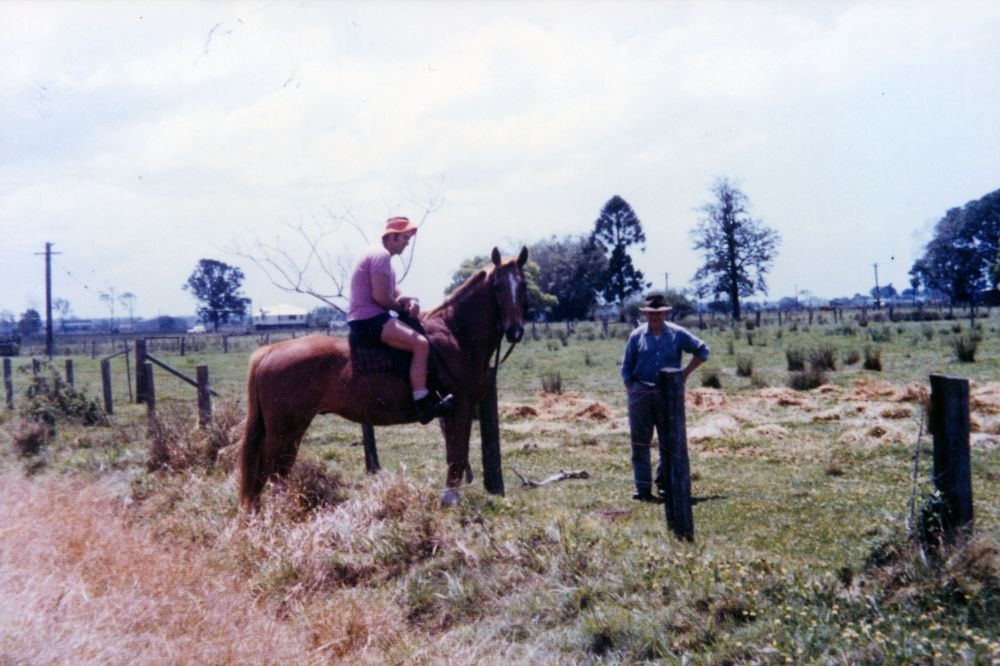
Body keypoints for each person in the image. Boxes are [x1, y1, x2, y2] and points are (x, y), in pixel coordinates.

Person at [348, 216, 452, 424]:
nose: (407, 242)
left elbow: (393, 292)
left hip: (370, 317)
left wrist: (408, 301)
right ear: (392, 236)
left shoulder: (381, 256)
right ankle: (422, 401)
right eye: (405, 237)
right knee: (421, 344)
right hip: (369, 319)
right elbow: (380, 297)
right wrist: (401, 308)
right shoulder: (381, 256)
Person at [620, 293, 710, 503]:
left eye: (659, 314)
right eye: (651, 315)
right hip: (641, 396)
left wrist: (684, 373)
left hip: (668, 395)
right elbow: (626, 368)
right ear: (645, 315)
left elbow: (703, 351)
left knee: (669, 441)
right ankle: (642, 489)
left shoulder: (677, 334)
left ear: (666, 313)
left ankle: (666, 485)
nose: (655, 319)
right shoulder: (636, 336)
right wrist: (632, 388)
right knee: (640, 442)